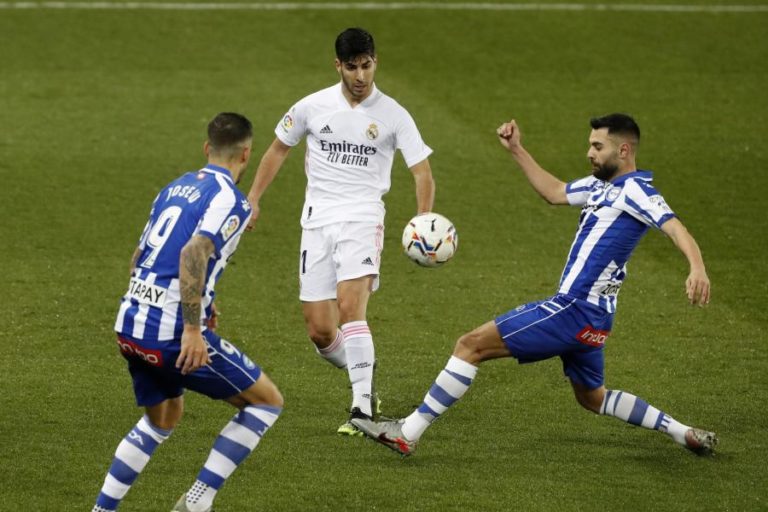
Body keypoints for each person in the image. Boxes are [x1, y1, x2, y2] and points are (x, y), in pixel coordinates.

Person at [352, 113, 718, 457]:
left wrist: (696, 268)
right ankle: (680, 431)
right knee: (592, 398)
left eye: (597, 147)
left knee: (470, 345)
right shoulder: (600, 186)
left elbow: (673, 226)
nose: (589, 153)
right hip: (595, 321)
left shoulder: (637, 190)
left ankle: (408, 432)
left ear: (624, 150)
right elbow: (555, 192)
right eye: (590, 145)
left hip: (574, 309)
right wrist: (517, 150)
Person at [246, 27, 435, 435]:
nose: (361, 76)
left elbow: (422, 171)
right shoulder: (313, 107)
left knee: (351, 308)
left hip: (363, 218)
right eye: (352, 67)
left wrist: (423, 217)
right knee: (320, 330)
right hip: (316, 222)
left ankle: (362, 408)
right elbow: (279, 146)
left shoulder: (394, 114)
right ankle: (361, 372)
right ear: (338, 66)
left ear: (375, 62)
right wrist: (254, 197)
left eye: (367, 66)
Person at [92, 113, 283, 512]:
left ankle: (102, 510)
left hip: (129, 325)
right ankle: (198, 501)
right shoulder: (231, 199)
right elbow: (193, 252)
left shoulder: (174, 188)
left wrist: (205, 304)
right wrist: (193, 330)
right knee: (266, 401)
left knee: (163, 418)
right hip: (169, 333)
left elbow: (139, 258)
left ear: (206, 148)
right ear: (246, 154)